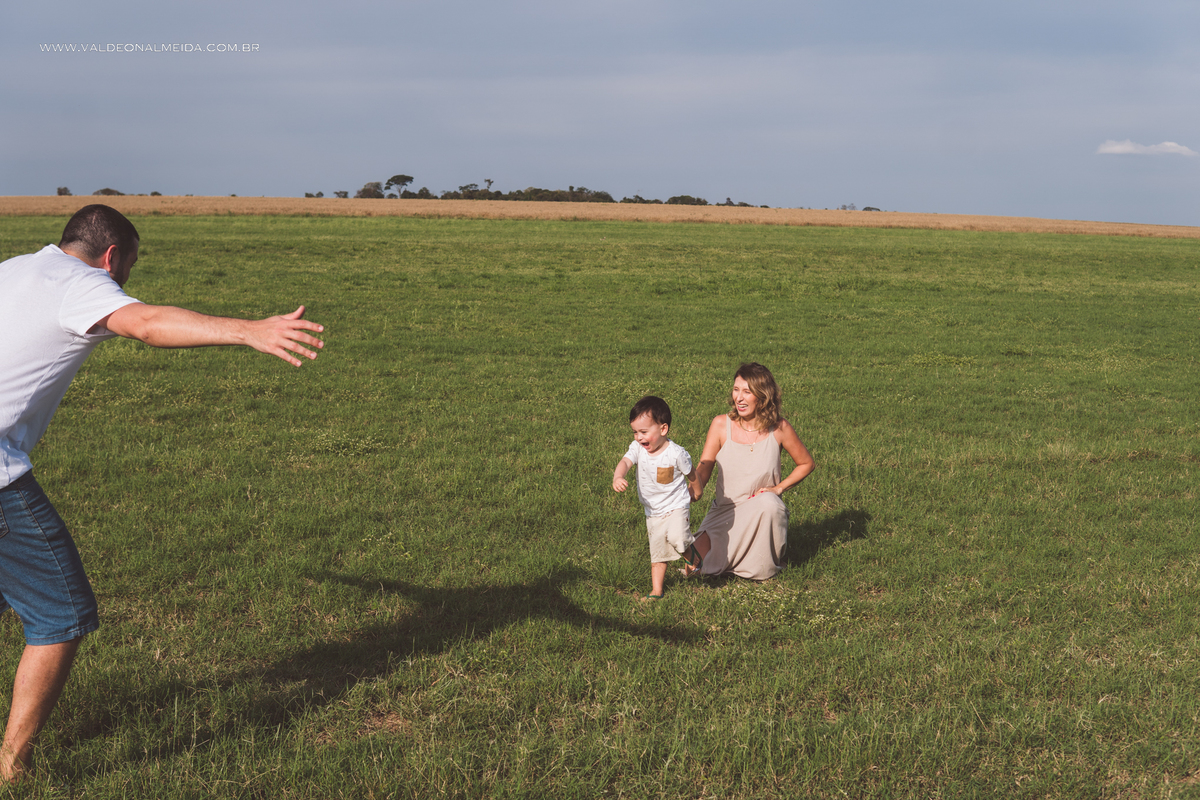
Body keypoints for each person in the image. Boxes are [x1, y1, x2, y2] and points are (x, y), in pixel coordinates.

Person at [0, 204, 325, 783]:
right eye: (127, 267)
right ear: (111, 256)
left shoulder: (16, 269)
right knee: (61, 616)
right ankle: (12, 766)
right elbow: (147, 323)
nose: (124, 280)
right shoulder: (83, 285)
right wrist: (249, 331)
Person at [683, 363, 815, 581]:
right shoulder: (720, 424)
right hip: (725, 513)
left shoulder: (779, 428)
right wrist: (690, 493)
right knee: (695, 567)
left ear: (762, 396)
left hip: (761, 511)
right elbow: (704, 468)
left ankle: (764, 558)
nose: (739, 398)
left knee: (770, 504)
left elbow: (806, 463)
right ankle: (739, 555)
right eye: (736, 390)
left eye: (747, 391)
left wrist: (778, 488)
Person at [611, 396, 698, 600]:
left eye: (643, 432)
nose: (639, 437)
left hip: (677, 505)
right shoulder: (637, 449)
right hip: (653, 510)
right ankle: (656, 591)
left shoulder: (676, 453)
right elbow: (625, 462)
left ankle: (694, 559)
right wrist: (618, 475)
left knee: (677, 538)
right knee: (658, 552)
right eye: (635, 432)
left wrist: (697, 489)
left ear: (663, 429)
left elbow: (692, 474)